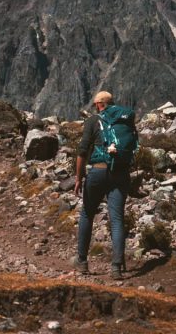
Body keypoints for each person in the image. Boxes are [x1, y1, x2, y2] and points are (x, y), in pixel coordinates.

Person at [73, 91, 136, 280]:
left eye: (95, 104)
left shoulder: (93, 121)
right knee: (116, 219)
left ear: (100, 104)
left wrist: (78, 177)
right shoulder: (125, 121)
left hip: (98, 172)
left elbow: (82, 151)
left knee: (87, 213)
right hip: (121, 173)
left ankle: (82, 261)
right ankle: (116, 266)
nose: (94, 107)